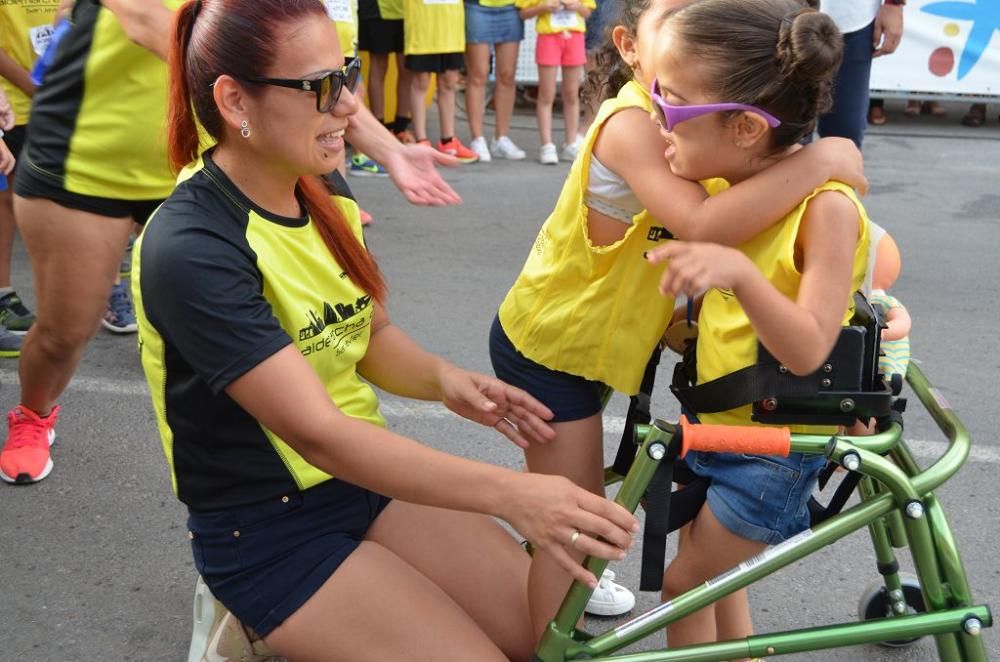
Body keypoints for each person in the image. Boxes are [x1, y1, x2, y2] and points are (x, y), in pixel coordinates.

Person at [140, 2, 639, 660]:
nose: (347, 104)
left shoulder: (319, 184)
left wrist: (443, 380)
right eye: (321, 87)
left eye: (344, 74)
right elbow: (320, 434)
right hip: (268, 529)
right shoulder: (191, 246)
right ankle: (248, 611)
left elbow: (366, 333)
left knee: (538, 638)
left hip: (362, 484)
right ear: (234, 101)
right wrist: (514, 493)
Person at [491, 0, 868, 639]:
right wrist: (824, 157)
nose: (662, 105)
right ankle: (546, 649)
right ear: (633, 45)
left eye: (677, 95)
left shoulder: (722, 148)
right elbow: (702, 227)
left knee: (657, 556)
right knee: (578, 524)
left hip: (624, 353)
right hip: (556, 346)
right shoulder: (641, 121)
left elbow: (819, 262)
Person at [0, 0, 462, 487]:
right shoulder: (207, 65)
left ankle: (269, 483)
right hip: (84, 163)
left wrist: (389, 149)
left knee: (254, 324)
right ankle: (34, 413)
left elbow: (309, 77)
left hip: (187, 162)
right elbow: (151, 25)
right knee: (65, 332)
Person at [644, 0, 872, 654]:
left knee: (687, 584)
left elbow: (806, 349)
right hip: (720, 425)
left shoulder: (825, 210)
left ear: (746, 127)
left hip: (774, 450)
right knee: (716, 579)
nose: (660, 122)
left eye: (675, 107)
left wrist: (738, 278)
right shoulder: (736, 186)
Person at [0, 1, 60, 348]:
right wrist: (33, 87)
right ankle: (4, 294)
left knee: (47, 199)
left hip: (53, 97)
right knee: (7, 199)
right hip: (20, 102)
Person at [817, 0, 905, 148]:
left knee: (845, 136)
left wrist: (894, 4)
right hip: (779, 16)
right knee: (783, 138)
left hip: (853, 19)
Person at [516, 0, 595, 164]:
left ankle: (571, 142)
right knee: (546, 93)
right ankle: (546, 145)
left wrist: (577, 6)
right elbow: (523, 12)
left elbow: (588, 12)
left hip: (575, 38)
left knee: (572, 93)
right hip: (548, 38)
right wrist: (543, 8)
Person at [403, 0, 479, 162]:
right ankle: (421, 141)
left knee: (449, 82)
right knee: (421, 82)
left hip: (451, 26)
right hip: (423, 25)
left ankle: (448, 141)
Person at [463, 0, 528, 162]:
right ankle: (477, 138)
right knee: (478, 73)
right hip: (476, 7)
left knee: (507, 75)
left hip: (510, 8)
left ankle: (501, 138)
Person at [357, 0, 415, 143]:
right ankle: (379, 127)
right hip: (376, 8)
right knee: (378, 65)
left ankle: (401, 127)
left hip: (408, 9)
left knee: (406, 68)